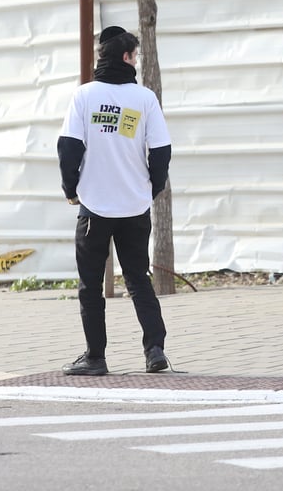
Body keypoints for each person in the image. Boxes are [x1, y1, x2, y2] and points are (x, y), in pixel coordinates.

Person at [57, 26, 172, 376]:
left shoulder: (84, 96)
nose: (136, 60)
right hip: (134, 206)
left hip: (95, 206)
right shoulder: (144, 99)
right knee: (138, 279)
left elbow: (68, 147)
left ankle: (96, 357)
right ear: (126, 57)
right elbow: (162, 151)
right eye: (135, 55)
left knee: (91, 284)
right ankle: (154, 350)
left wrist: (71, 188)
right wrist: (150, 188)